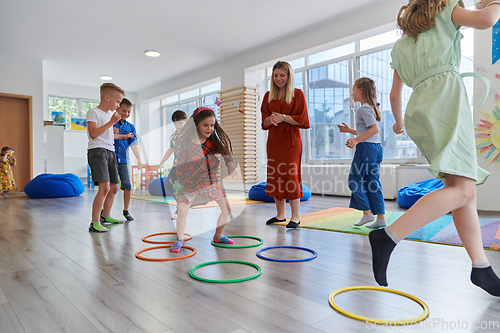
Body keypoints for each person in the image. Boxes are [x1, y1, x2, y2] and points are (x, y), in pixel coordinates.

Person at [369, 0, 500, 296]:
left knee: (463, 189)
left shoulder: (402, 44)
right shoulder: (446, 9)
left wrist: (400, 123)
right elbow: (487, 20)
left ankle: (481, 267)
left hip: (422, 110)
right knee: (464, 190)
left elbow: (394, 94)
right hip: (446, 103)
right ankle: (388, 236)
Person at [169, 106, 238, 252]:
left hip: (210, 182)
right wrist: (179, 183)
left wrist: (230, 165)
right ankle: (179, 240)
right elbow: (180, 163)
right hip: (190, 183)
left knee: (227, 210)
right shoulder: (186, 143)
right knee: (182, 211)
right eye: (205, 125)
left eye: (212, 125)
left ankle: (218, 236)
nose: (209, 128)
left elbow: (225, 150)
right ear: (196, 125)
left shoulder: (212, 142)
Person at [261, 61, 310, 228]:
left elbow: (302, 119)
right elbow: (264, 121)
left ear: (289, 76)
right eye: (276, 75)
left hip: (291, 142)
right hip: (274, 141)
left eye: (282, 75)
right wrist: (272, 119)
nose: (278, 78)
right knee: (276, 175)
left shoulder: (297, 94)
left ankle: (295, 216)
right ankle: (280, 215)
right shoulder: (268, 96)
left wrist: (283, 117)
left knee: (290, 176)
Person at [338, 77, 386, 228]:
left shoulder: (363, 108)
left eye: (353, 89)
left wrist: (356, 140)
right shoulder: (371, 107)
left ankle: (367, 213)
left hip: (366, 149)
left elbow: (374, 129)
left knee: (354, 179)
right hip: (375, 148)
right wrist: (350, 131)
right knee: (373, 182)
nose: (352, 93)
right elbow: (369, 130)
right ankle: (381, 218)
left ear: (360, 90)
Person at [87, 82, 124, 232]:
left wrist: (116, 131)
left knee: (114, 187)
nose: (118, 105)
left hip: (110, 152)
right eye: (117, 101)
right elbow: (93, 134)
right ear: (106, 97)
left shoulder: (108, 116)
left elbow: (107, 136)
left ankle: (105, 215)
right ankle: (94, 222)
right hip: (97, 152)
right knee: (104, 187)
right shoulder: (93, 112)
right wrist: (110, 123)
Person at [112, 98, 142, 221]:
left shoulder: (130, 127)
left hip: (125, 160)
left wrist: (139, 159)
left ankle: (126, 211)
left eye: (129, 112)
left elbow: (133, 143)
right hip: (111, 159)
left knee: (128, 186)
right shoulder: (110, 123)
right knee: (110, 187)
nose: (126, 114)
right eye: (124, 110)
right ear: (117, 108)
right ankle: (105, 211)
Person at [158, 110, 188, 220]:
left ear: (186, 122)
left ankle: (180, 209)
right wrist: (161, 162)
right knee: (168, 186)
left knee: (180, 188)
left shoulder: (188, 135)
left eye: (180, 123)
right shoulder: (175, 135)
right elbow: (170, 150)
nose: (178, 125)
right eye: (175, 123)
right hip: (176, 166)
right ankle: (181, 204)